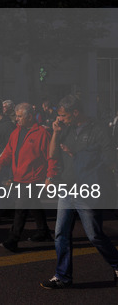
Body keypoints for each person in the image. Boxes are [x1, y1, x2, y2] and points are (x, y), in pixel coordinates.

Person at [41, 95, 118, 289]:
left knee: (94, 235)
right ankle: (62, 276)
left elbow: (109, 159)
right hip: (67, 189)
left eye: (64, 116)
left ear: (75, 113)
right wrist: (56, 132)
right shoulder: (66, 129)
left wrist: (78, 154)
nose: (61, 119)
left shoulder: (98, 129)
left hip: (87, 189)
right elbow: (52, 154)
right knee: (61, 234)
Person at [0, 103, 54, 252]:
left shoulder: (42, 133)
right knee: (34, 205)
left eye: (20, 117)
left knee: (20, 208)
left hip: (33, 178)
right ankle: (43, 232)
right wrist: (0, 162)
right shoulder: (16, 132)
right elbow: (8, 150)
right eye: (16, 116)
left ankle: (13, 239)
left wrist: (50, 177)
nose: (17, 119)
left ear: (30, 117)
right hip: (20, 176)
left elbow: (51, 157)